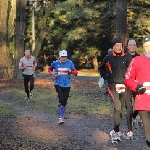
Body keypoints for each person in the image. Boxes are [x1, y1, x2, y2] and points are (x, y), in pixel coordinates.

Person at [99, 37, 132, 142]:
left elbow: (133, 68)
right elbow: (101, 68)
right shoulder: (108, 58)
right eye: (116, 45)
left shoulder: (127, 56)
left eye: (120, 45)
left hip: (124, 86)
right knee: (118, 108)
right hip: (113, 86)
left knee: (119, 109)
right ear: (113, 47)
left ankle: (115, 129)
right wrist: (106, 76)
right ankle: (117, 132)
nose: (119, 47)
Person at [124, 35, 150, 147]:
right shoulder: (137, 60)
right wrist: (137, 86)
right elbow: (127, 78)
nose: (148, 48)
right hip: (143, 102)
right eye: (146, 46)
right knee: (149, 137)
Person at [48, 50, 78, 124]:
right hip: (58, 84)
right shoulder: (55, 63)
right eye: (62, 57)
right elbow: (49, 69)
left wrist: (70, 71)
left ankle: (61, 109)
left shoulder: (69, 63)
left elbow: (76, 73)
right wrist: (52, 73)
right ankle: (61, 117)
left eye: (65, 57)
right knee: (61, 98)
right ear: (59, 57)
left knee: (64, 101)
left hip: (67, 84)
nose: (64, 59)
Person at [125, 38, 140, 139]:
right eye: (130, 45)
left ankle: (134, 116)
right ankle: (130, 130)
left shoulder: (140, 57)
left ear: (136, 46)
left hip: (137, 85)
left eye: (134, 45)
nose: (132, 47)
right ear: (127, 46)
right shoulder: (123, 57)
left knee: (139, 106)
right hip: (126, 85)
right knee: (129, 108)